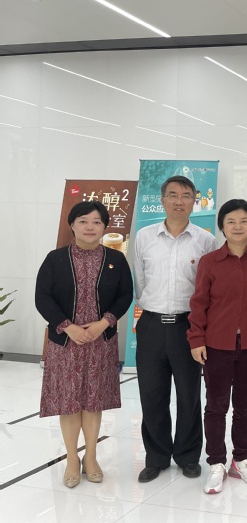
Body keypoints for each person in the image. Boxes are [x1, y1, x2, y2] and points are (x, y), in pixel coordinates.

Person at [35, 201, 133, 488]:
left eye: (96, 222)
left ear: (104, 227)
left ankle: (91, 456)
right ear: (72, 225)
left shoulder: (116, 259)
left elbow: (125, 295)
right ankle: (71, 459)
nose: (90, 227)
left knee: (93, 401)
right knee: (68, 404)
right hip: (66, 343)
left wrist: (104, 323)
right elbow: (43, 297)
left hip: (100, 342)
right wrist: (68, 326)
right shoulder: (55, 259)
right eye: (83, 221)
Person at [134, 175, 216, 482]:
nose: (179, 201)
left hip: (188, 327)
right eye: (172, 195)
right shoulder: (144, 236)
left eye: (185, 196)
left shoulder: (205, 241)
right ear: (162, 200)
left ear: (195, 201)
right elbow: (140, 282)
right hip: (152, 324)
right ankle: (156, 457)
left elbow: (208, 290)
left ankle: (188, 455)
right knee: (151, 395)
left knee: (189, 395)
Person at [188, 199, 247, 494]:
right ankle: (216, 463)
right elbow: (199, 304)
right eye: (231, 222)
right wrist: (196, 339)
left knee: (245, 406)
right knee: (216, 406)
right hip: (216, 344)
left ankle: (242, 459)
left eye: (243, 221)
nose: (238, 227)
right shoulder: (210, 261)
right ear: (222, 227)